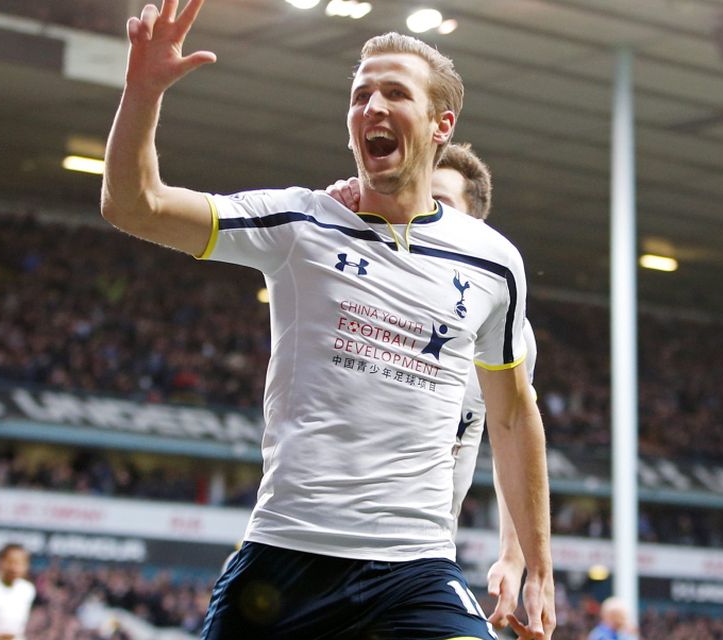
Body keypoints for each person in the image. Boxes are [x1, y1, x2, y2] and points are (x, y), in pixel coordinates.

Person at [101, 1, 555, 638]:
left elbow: (510, 415)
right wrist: (142, 91)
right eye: (360, 94)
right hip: (287, 560)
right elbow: (135, 205)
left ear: (440, 124)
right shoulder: (299, 224)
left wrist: (534, 561)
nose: (372, 106)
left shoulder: (494, 263)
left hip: (414, 569)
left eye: (395, 92)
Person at [326, 142, 539, 632]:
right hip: (324, 544)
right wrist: (337, 205)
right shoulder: (367, 286)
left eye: (438, 202)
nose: (420, 210)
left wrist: (513, 556)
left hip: (420, 554)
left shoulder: (504, 331)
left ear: (476, 230)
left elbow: (509, 438)